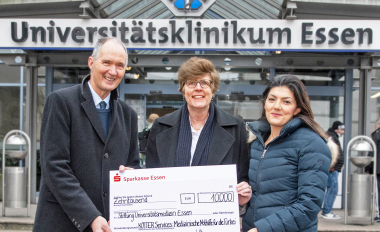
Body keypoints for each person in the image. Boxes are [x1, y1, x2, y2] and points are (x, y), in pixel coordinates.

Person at [33, 38, 140, 232]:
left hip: (109, 225)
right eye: (106, 62)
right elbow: (54, 167)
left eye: (120, 65)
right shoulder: (61, 102)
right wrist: (90, 215)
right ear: (91, 62)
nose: (113, 71)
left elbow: (133, 164)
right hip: (62, 224)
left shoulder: (129, 115)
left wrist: (132, 177)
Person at [121, 57, 252, 207]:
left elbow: (244, 178)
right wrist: (131, 181)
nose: (198, 88)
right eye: (191, 83)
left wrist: (243, 194)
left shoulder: (236, 128)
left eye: (205, 82)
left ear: (213, 90)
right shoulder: (161, 127)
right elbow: (153, 178)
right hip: (171, 218)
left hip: (216, 219)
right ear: (183, 90)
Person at [242, 75, 332, 232]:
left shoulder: (311, 144)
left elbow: (308, 205)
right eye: (272, 99)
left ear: (297, 109)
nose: (277, 106)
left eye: (286, 102)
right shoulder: (257, 142)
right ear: (265, 103)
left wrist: (261, 229)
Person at [322, 121, 345, 219]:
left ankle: (327, 211)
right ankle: (327, 211)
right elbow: (330, 151)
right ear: (338, 128)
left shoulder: (333, 136)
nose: (343, 132)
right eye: (342, 129)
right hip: (332, 169)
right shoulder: (331, 137)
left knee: (332, 189)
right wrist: (331, 165)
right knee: (332, 189)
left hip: (333, 168)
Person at [365, 119, 380, 222]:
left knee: (378, 191)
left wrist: (368, 167)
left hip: (378, 168)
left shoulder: (376, 134)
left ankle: (379, 215)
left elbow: (372, 152)